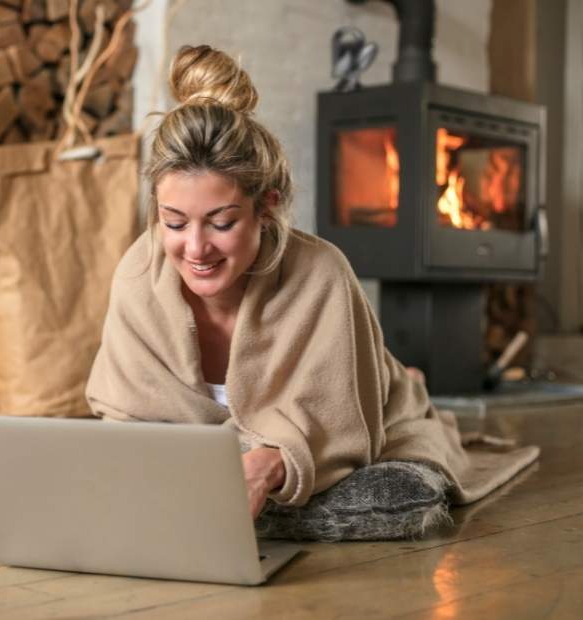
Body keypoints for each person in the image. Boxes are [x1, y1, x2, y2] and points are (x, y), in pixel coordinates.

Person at [85, 45, 537, 527]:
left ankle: (399, 390)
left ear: (267, 207)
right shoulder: (140, 271)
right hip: (207, 457)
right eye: (174, 222)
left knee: (397, 495)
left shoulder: (322, 273)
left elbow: (345, 426)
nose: (195, 248)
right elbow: (123, 414)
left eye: (221, 223)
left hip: (370, 422)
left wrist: (270, 464)